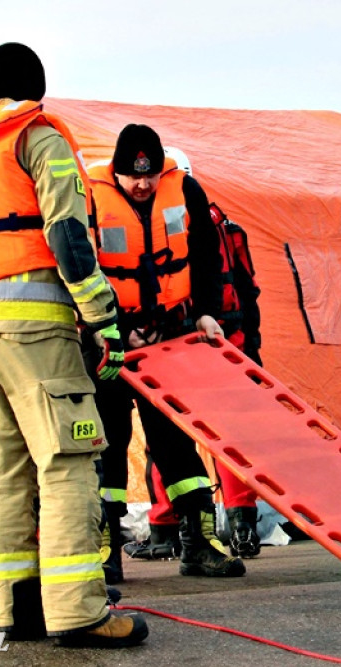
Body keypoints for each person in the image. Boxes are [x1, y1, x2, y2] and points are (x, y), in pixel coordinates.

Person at [0, 42, 147, 647]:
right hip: (39, 330)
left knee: (1, 471)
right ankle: (78, 612)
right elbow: (68, 237)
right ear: (37, 90)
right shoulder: (39, 139)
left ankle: (16, 609)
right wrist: (102, 319)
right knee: (67, 462)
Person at [85, 124, 245, 579]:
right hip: (109, 343)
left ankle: (200, 544)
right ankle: (105, 552)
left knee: (176, 443)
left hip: (169, 335)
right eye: (133, 177)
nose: (142, 184)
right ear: (116, 172)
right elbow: (79, 267)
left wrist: (207, 312)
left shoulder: (185, 189)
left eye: (150, 175)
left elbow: (206, 255)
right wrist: (112, 329)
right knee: (106, 444)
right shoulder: (89, 196)